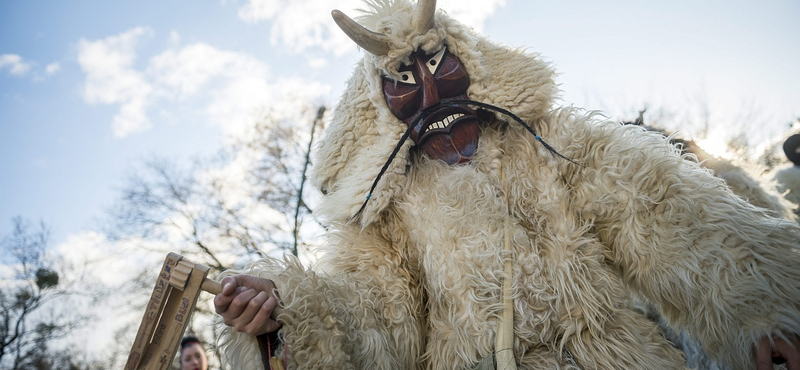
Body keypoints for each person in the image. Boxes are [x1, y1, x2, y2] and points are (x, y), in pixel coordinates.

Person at [214, 0, 800, 369]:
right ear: (378, 103)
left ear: (470, 60)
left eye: (438, 63)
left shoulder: (555, 145)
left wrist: (763, 315)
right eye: (401, 78)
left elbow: (661, 213)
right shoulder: (389, 217)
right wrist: (289, 315)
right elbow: (372, 317)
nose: (427, 90)